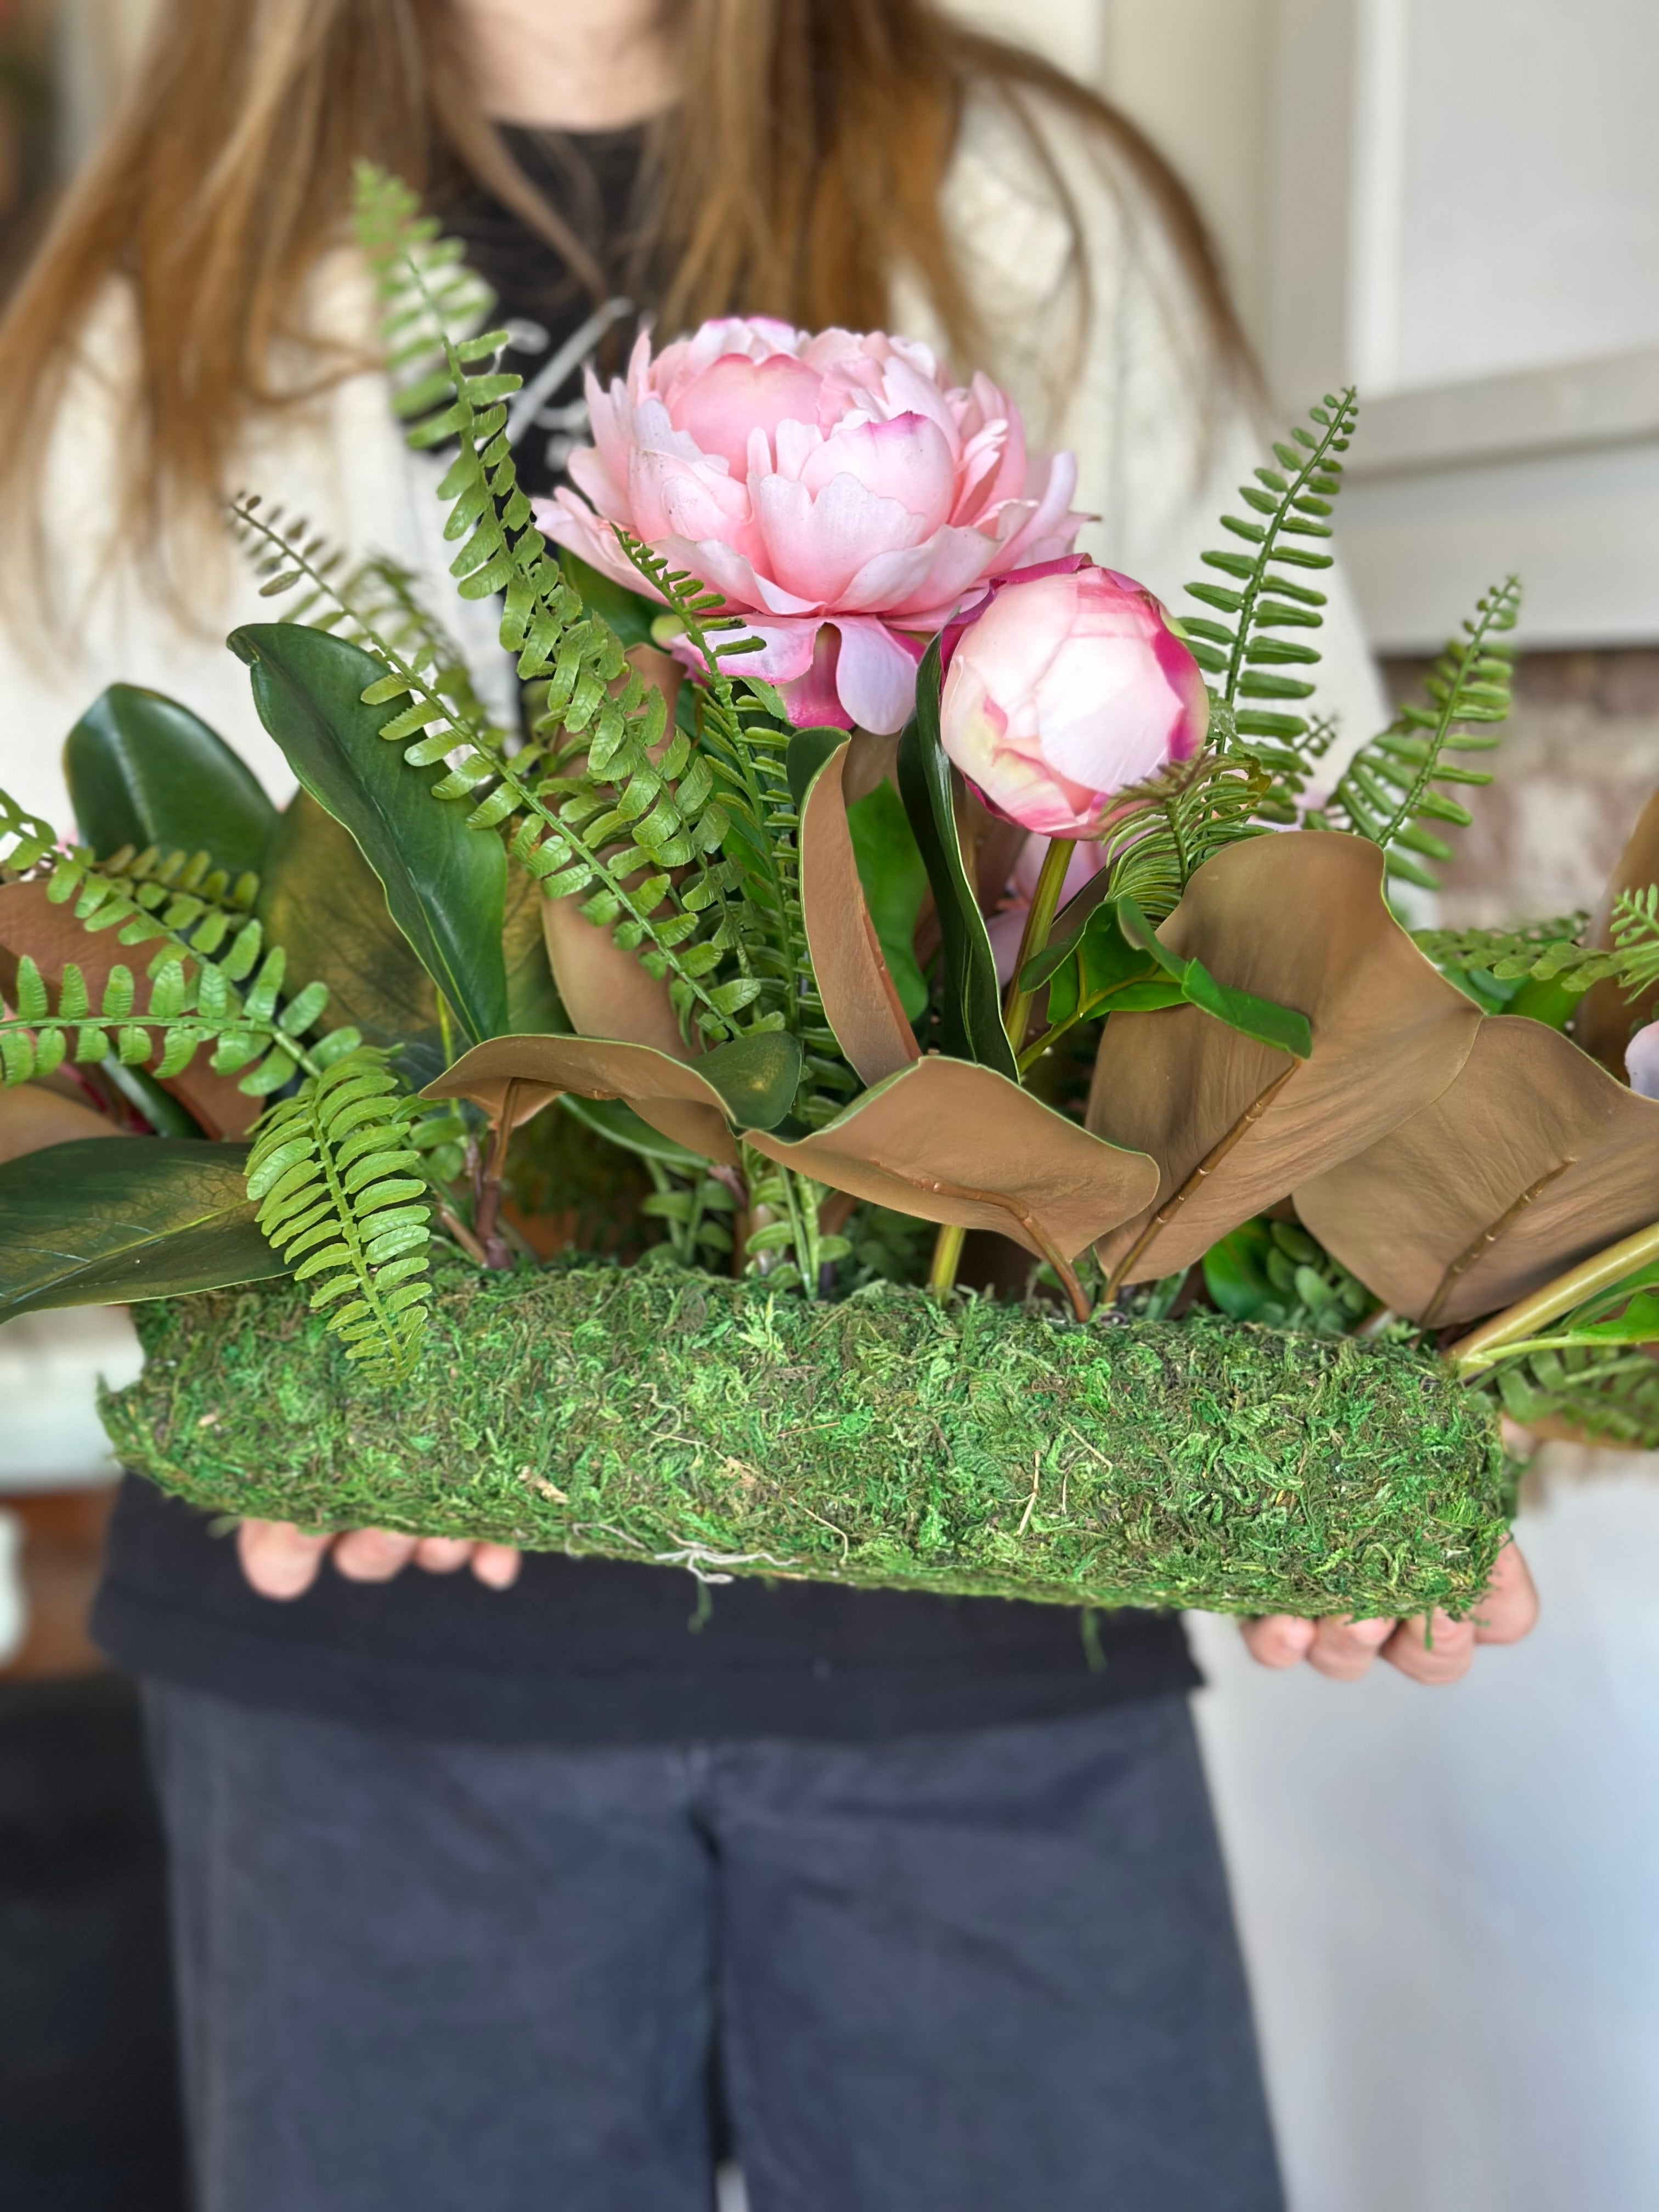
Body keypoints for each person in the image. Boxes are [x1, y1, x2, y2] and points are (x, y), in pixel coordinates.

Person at [0, 2, 1538, 2206]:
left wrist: (1363, 1381)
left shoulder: (1034, 200)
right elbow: (84, 992)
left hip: (987, 1635)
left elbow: (1294, 901)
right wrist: (311, 1344)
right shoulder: (152, 283)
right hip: (363, 1680)